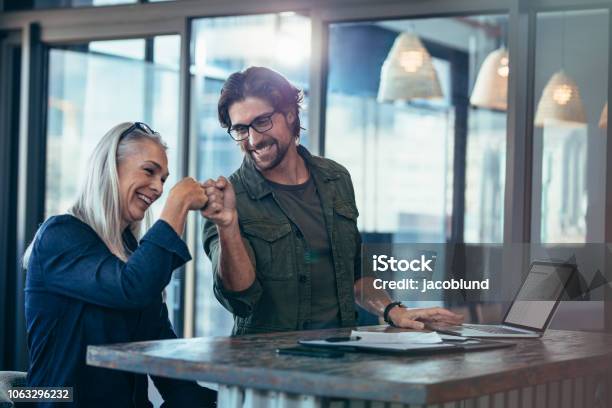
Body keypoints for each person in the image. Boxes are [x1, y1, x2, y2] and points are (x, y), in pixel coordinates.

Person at [202, 66, 463, 335]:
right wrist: (228, 226)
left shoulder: (335, 179)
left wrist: (393, 310)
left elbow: (356, 274)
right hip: (265, 367)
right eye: (241, 129)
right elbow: (238, 297)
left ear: (290, 114)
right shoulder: (228, 201)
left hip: (340, 359)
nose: (253, 139)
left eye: (262, 121)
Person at [23, 122, 216, 407]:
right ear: (109, 168)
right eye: (149, 171)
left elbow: (160, 346)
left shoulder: (132, 255)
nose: (159, 188)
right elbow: (131, 288)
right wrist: (178, 203)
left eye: (164, 180)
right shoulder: (59, 236)